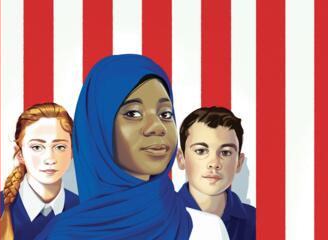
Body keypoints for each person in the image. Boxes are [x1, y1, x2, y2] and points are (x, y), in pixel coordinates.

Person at [35, 54, 229, 239]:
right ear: (98, 128)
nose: (158, 127)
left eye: (166, 114)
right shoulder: (60, 235)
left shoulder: (208, 231)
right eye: (133, 114)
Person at [0, 103, 79, 240]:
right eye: (37, 147)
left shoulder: (83, 210)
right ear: (19, 153)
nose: (49, 159)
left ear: (72, 151)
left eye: (60, 147)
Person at [177, 106, 256, 240]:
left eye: (225, 152)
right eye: (201, 151)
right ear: (181, 158)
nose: (214, 163)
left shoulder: (257, 222)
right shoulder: (157, 219)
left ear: (239, 162)